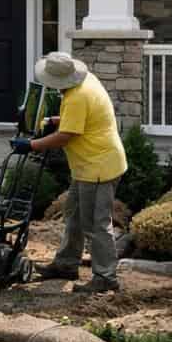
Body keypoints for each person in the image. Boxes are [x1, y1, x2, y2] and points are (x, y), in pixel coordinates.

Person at [14, 51, 128, 293]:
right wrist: (56, 119)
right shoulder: (87, 81)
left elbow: (67, 136)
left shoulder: (78, 95)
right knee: (74, 217)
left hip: (98, 167)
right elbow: (81, 118)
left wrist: (31, 145)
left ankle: (106, 277)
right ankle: (66, 264)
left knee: (96, 224)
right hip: (88, 166)